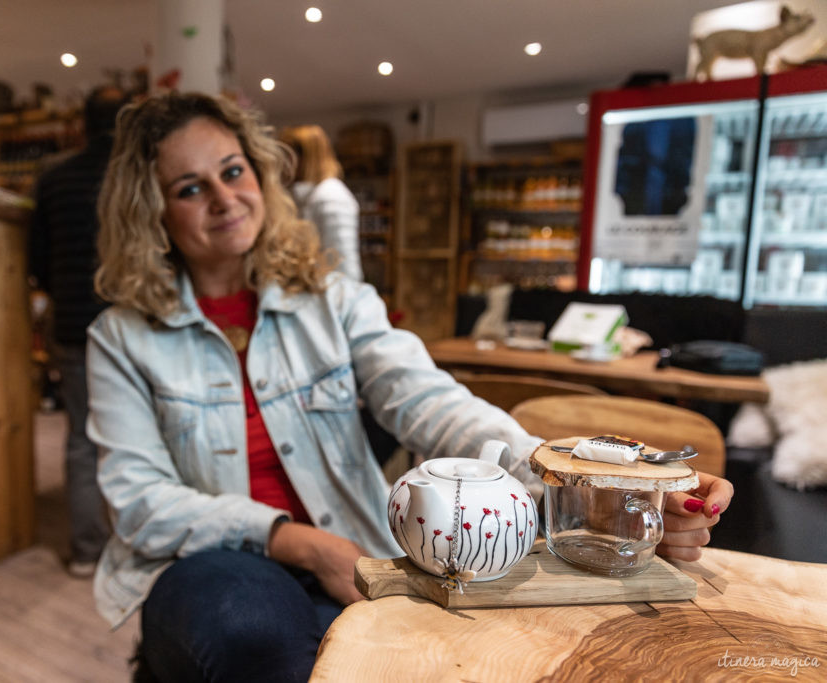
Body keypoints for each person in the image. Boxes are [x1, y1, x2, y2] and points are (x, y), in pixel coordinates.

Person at [86, 92, 734, 682]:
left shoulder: (332, 298)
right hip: (209, 567)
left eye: (233, 171)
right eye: (190, 188)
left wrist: (587, 486)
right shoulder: (120, 336)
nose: (225, 198)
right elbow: (139, 501)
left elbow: (429, 399)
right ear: (153, 212)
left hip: (351, 553)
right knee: (253, 631)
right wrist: (301, 543)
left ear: (259, 174)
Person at [28, 84, 128, 577]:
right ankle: (138, 546)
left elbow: (37, 262)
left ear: (81, 124)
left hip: (73, 324)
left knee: (82, 441)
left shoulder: (53, 178)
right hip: (132, 324)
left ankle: (88, 551)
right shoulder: (136, 174)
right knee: (136, 438)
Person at [279, 124, 363, 281]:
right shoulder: (304, 197)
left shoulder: (331, 197)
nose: (284, 164)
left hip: (329, 294)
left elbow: (343, 263)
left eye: (289, 156)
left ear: (305, 158)